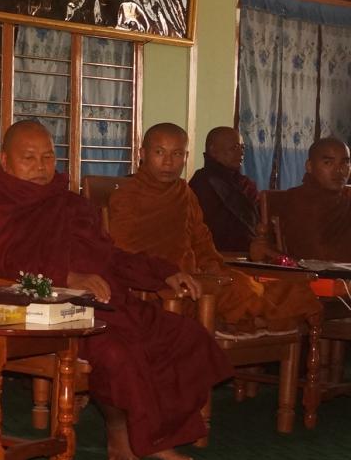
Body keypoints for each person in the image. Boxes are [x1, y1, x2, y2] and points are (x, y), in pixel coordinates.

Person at [0, 121, 230, 460]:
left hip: (106, 301)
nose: (40, 166)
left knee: (185, 335)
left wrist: (162, 271)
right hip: (49, 310)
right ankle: (118, 430)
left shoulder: (68, 202)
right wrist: (67, 277)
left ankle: (160, 437)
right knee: (117, 351)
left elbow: (109, 255)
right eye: (28, 158)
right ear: (5, 160)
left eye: (48, 157)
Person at [107, 124, 320, 337]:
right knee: (243, 293)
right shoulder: (127, 196)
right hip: (160, 287)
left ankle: (252, 320)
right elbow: (124, 255)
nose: (168, 162)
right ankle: (253, 321)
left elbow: (202, 241)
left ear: (186, 157)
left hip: (195, 279)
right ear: (143, 154)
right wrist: (167, 275)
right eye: (159, 152)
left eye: (177, 154)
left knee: (274, 286)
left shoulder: (184, 193)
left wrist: (215, 270)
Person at [264, 137, 351, 262]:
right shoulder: (292, 201)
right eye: (328, 163)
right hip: (305, 273)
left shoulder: (346, 201)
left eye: (345, 163)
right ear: (309, 166)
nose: (339, 171)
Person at [188, 126, 268, 255]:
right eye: (234, 148)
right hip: (219, 255)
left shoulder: (244, 183)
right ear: (213, 151)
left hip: (251, 254)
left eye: (242, 148)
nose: (241, 153)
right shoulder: (203, 183)